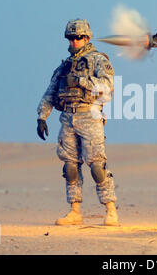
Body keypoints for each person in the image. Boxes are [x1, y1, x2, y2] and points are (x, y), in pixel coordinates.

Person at [36, 19, 119, 226]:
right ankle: (75, 211)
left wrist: (82, 81)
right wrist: (42, 116)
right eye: (71, 38)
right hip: (67, 118)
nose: (74, 42)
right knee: (70, 167)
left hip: (89, 115)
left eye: (78, 38)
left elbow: (108, 87)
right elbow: (50, 92)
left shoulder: (98, 60)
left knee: (97, 167)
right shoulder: (64, 66)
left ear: (87, 38)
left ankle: (110, 210)